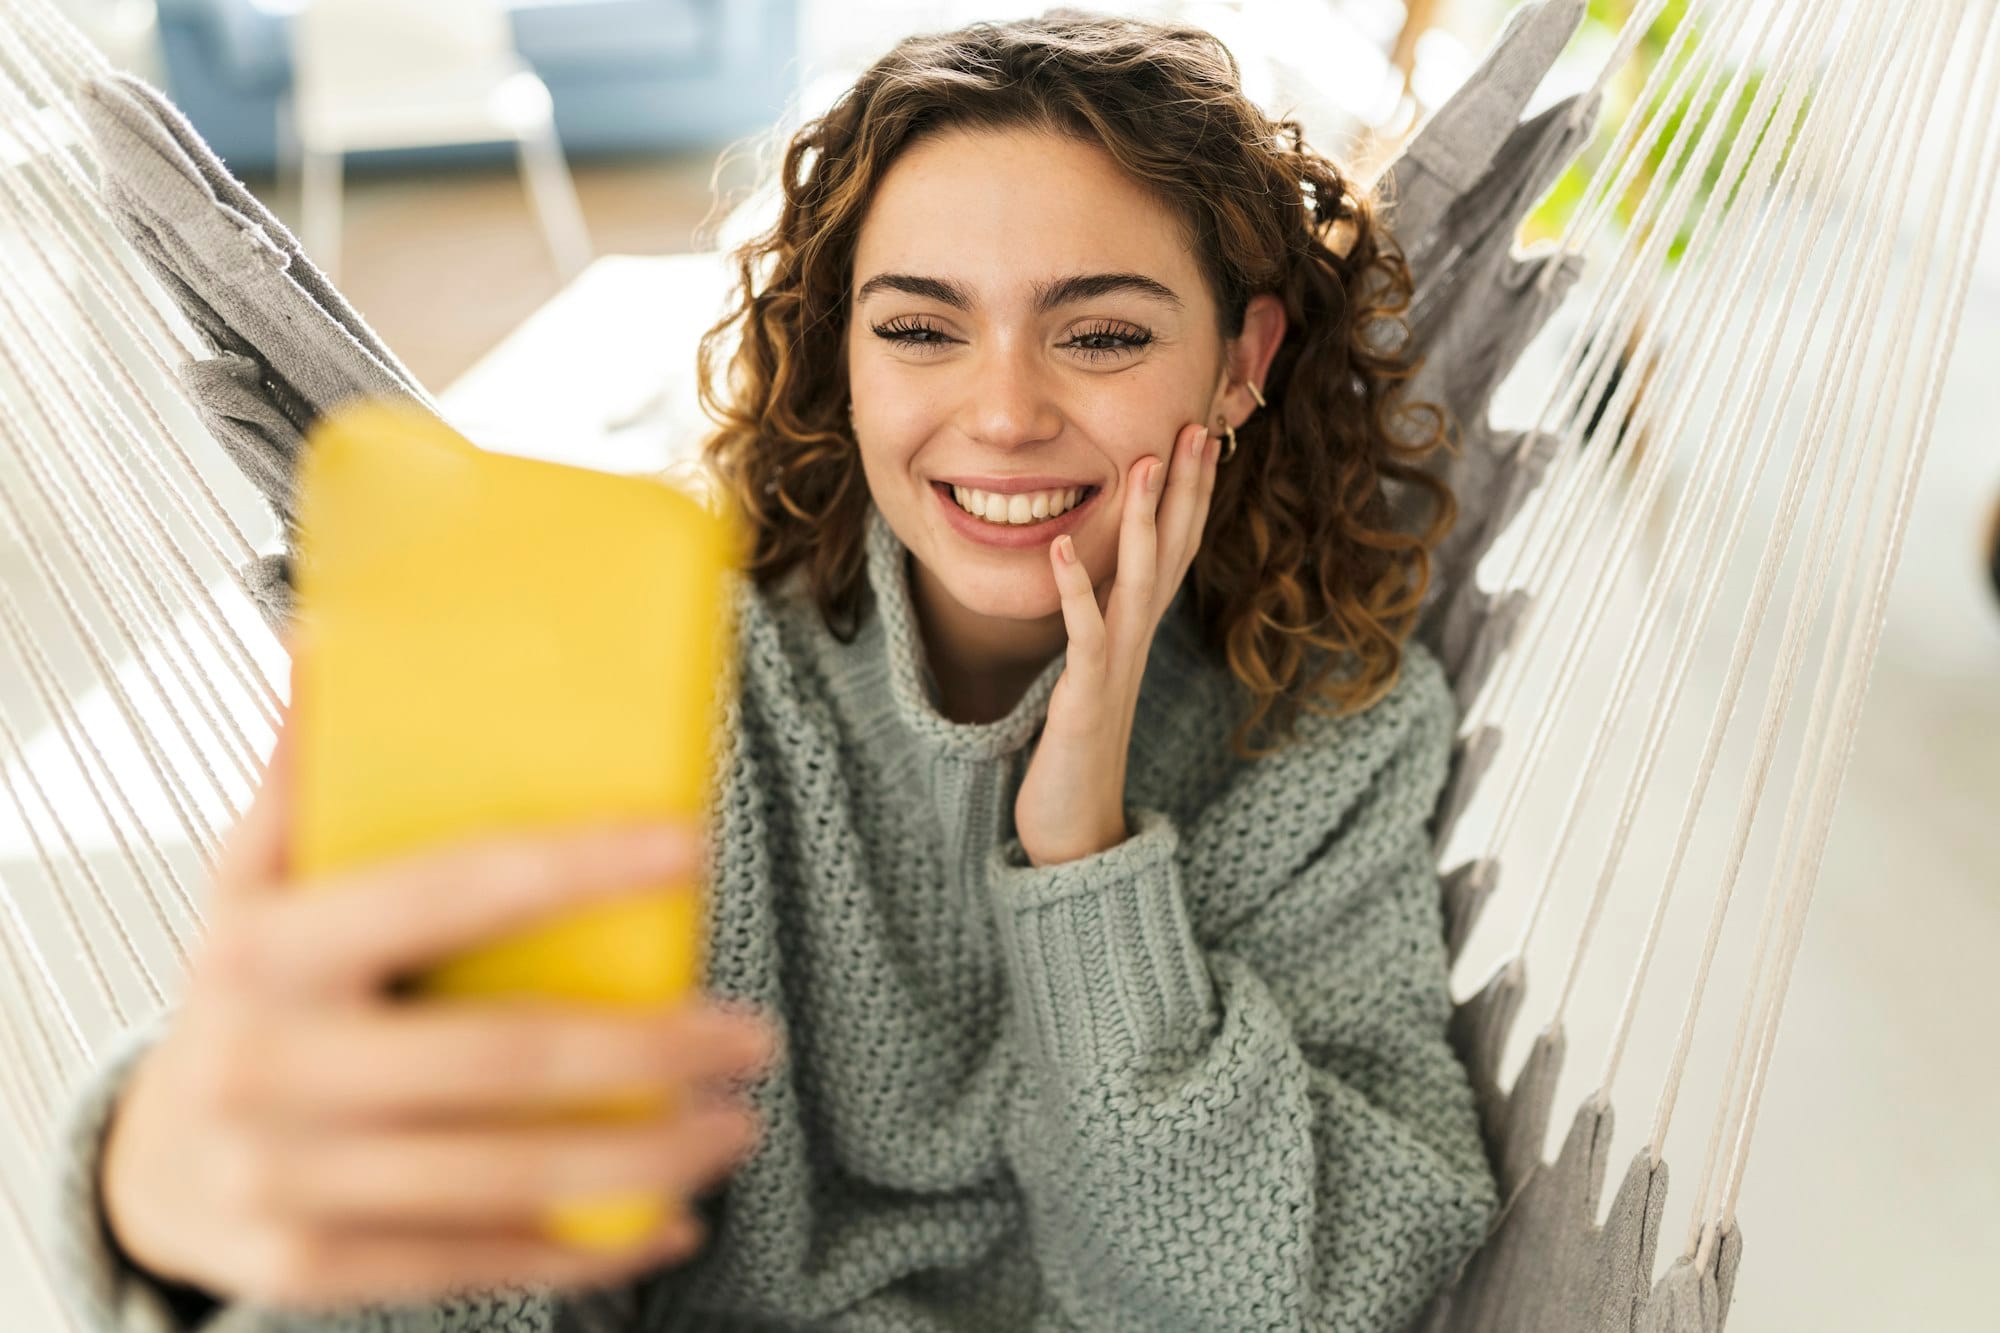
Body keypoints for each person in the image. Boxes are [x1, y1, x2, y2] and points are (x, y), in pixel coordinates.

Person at [51, 9, 1499, 1331]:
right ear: (844, 354)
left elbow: (1286, 1294)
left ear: (1243, 357)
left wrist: (1082, 849)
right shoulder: (663, 688)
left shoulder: (1332, 728)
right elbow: (446, 1208)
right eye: (920, 328)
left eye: (1102, 332)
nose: (1001, 413)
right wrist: (166, 1204)